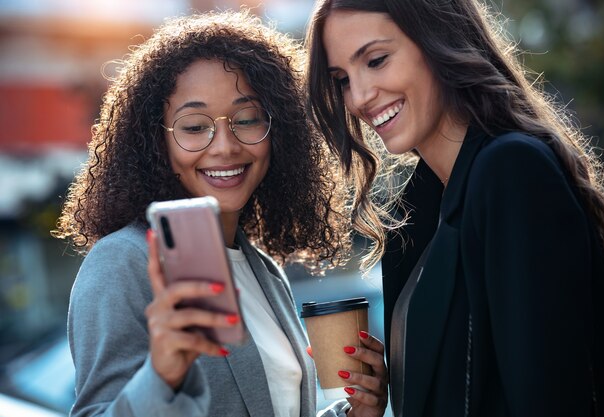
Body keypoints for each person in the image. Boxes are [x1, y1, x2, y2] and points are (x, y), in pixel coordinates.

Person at [53, 10, 389, 417]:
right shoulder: (123, 262)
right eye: (194, 127)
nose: (225, 147)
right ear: (155, 142)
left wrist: (355, 413)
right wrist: (161, 377)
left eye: (247, 119)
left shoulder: (262, 269)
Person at [304, 0, 604, 416]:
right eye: (342, 79)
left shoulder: (510, 171)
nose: (360, 96)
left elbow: (553, 396)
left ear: (437, 39)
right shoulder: (418, 209)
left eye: (377, 60)